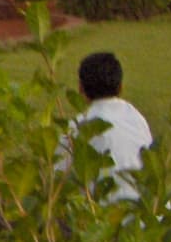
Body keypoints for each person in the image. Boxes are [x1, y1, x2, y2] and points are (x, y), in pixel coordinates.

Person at [59, 51, 154, 203]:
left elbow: (57, 182)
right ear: (120, 86)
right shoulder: (137, 118)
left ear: (80, 88)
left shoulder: (77, 128)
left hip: (107, 220)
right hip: (152, 214)